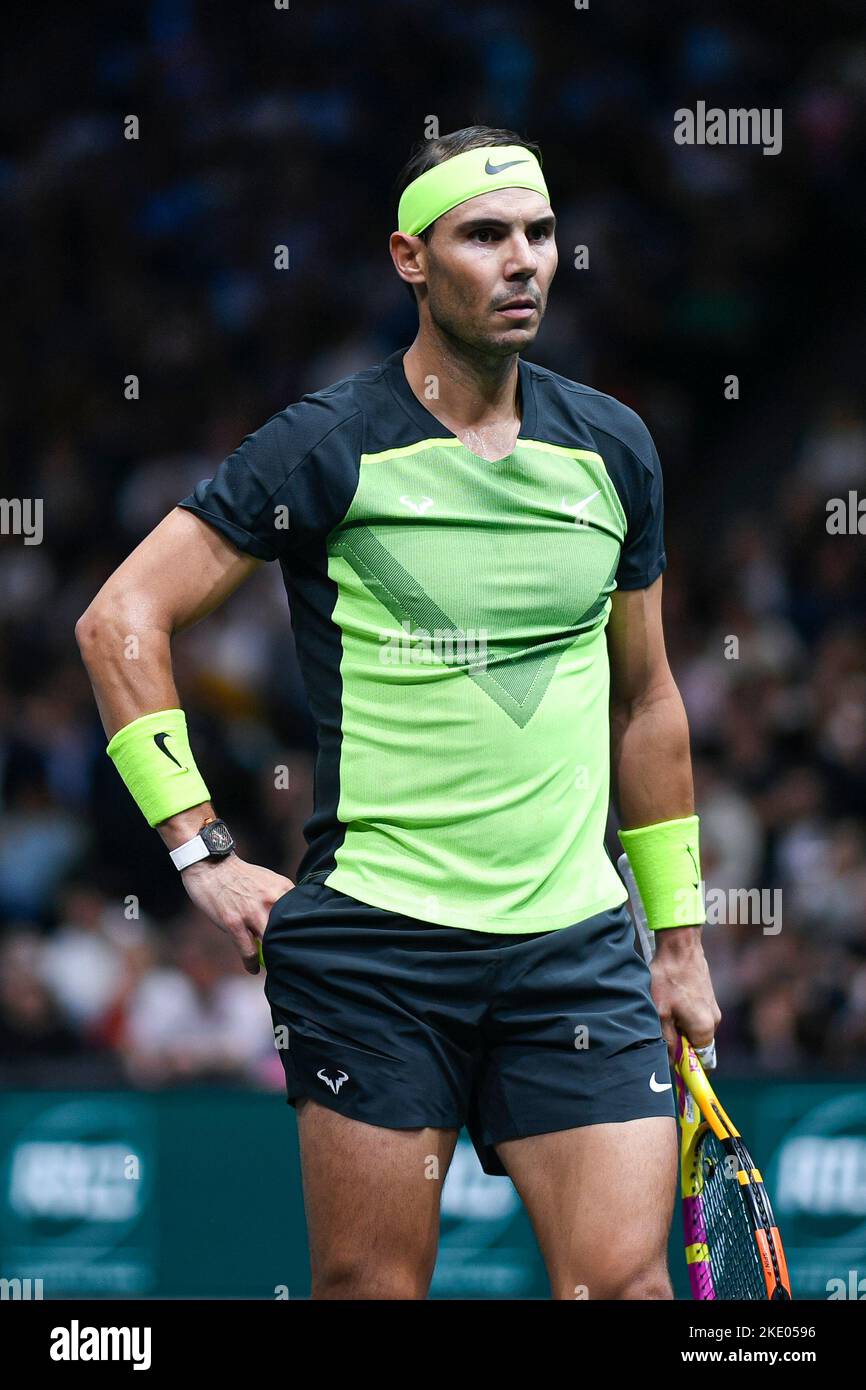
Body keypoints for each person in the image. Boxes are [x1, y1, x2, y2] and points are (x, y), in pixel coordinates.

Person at [76, 124, 720, 1300]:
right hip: (376, 952)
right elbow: (120, 620)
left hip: (573, 951)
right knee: (372, 1289)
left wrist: (675, 942)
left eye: (537, 233)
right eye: (483, 236)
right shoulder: (324, 446)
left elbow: (646, 700)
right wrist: (204, 853)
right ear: (409, 261)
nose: (520, 259)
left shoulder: (612, 449)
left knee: (623, 1288)